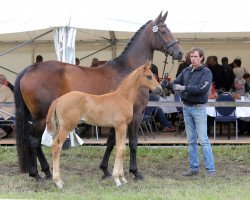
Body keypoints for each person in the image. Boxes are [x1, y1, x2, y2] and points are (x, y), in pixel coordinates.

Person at [167, 47, 215, 177]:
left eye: (195, 56)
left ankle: (210, 170)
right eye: (191, 56)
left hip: (199, 108)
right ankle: (193, 168)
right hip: (186, 107)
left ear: (201, 58)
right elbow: (176, 82)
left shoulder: (206, 72)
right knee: (191, 140)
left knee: (203, 140)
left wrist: (183, 88)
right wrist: (167, 84)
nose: (192, 59)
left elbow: (201, 89)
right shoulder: (186, 70)